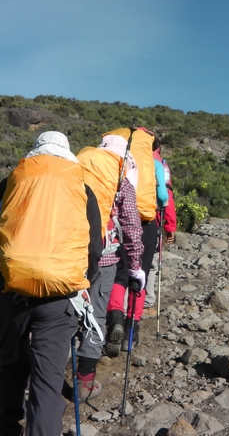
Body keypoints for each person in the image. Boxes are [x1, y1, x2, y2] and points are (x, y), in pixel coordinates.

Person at [0, 131, 102, 436]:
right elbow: (94, 250)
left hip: (12, 293)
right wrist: (83, 284)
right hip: (62, 299)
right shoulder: (81, 186)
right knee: (48, 382)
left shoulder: (13, 180)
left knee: (12, 368)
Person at [72, 135, 145, 401]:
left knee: (67, 314)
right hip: (103, 258)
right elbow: (132, 227)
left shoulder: (75, 168)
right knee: (96, 315)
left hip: (71, 257)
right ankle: (85, 380)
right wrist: (136, 266)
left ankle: (51, 370)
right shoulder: (119, 179)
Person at [101, 127, 168, 356]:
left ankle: (115, 317)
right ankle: (131, 333)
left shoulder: (114, 161)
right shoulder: (155, 165)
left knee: (119, 273)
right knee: (140, 274)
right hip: (147, 222)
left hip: (118, 221)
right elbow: (163, 197)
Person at [143, 146, 176, 317]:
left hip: (123, 223)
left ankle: (121, 304)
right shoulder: (159, 165)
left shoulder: (125, 159)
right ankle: (146, 302)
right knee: (151, 264)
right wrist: (170, 228)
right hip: (151, 222)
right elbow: (166, 197)